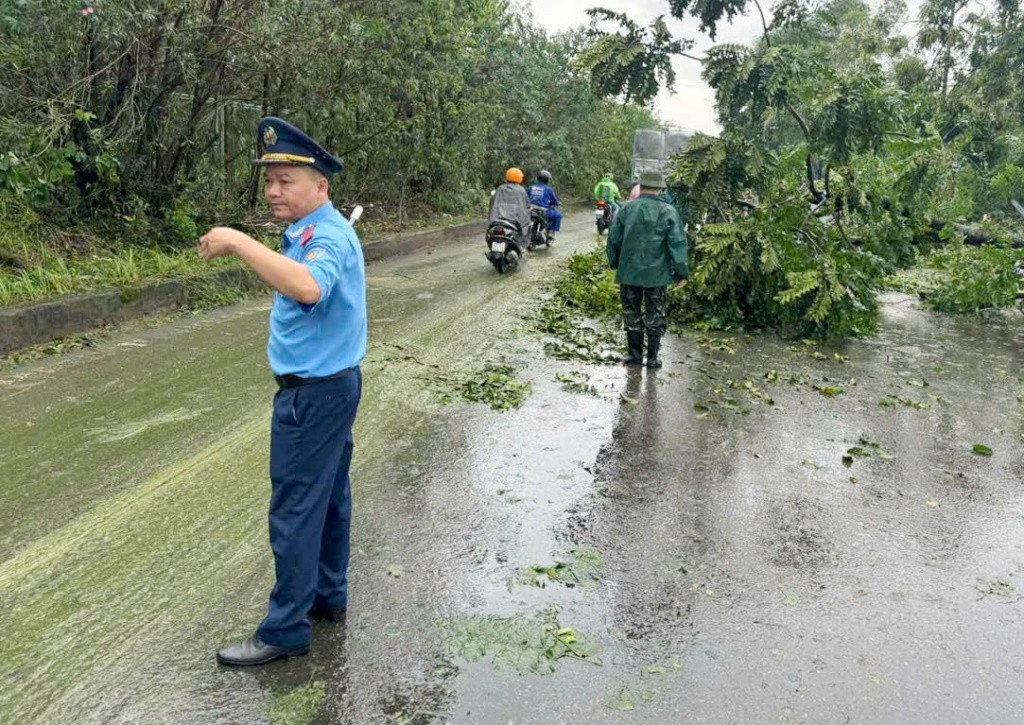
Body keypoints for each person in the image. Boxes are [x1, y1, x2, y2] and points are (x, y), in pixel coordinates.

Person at [199, 117, 367, 666]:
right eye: (269, 180)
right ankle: (326, 597)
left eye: (286, 181)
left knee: (295, 509)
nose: (273, 191)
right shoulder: (308, 233)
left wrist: (237, 241)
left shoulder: (328, 237)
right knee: (329, 498)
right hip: (331, 387)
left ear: (321, 185)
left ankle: (285, 628)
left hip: (314, 397)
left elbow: (308, 286)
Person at [606, 170, 688, 369]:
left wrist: (615, 263)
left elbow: (613, 239)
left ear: (640, 186)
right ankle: (652, 358)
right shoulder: (668, 211)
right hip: (657, 275)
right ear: (660, 189)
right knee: (656, 313)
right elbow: (677, 243)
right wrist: (681, 273)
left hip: (629, 272)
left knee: (631, 312)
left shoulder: (626, 209)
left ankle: (634, 356)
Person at [487, 167, 532, 250]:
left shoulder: (500, 188)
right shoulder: (521, 190)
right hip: (515, 221)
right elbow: (527, 205)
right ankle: (521, 246)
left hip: (498, 220)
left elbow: (493, 203)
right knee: (527, 227)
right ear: (519, 178)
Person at [527, 169, 562, 242]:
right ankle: (551, 232)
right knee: (558, 215)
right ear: (547, 180)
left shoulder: (531, 187)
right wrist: (558, 203)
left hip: (529, 210)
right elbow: (554, 201)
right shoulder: (549, 189)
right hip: (542, 212)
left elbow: (526, 198)